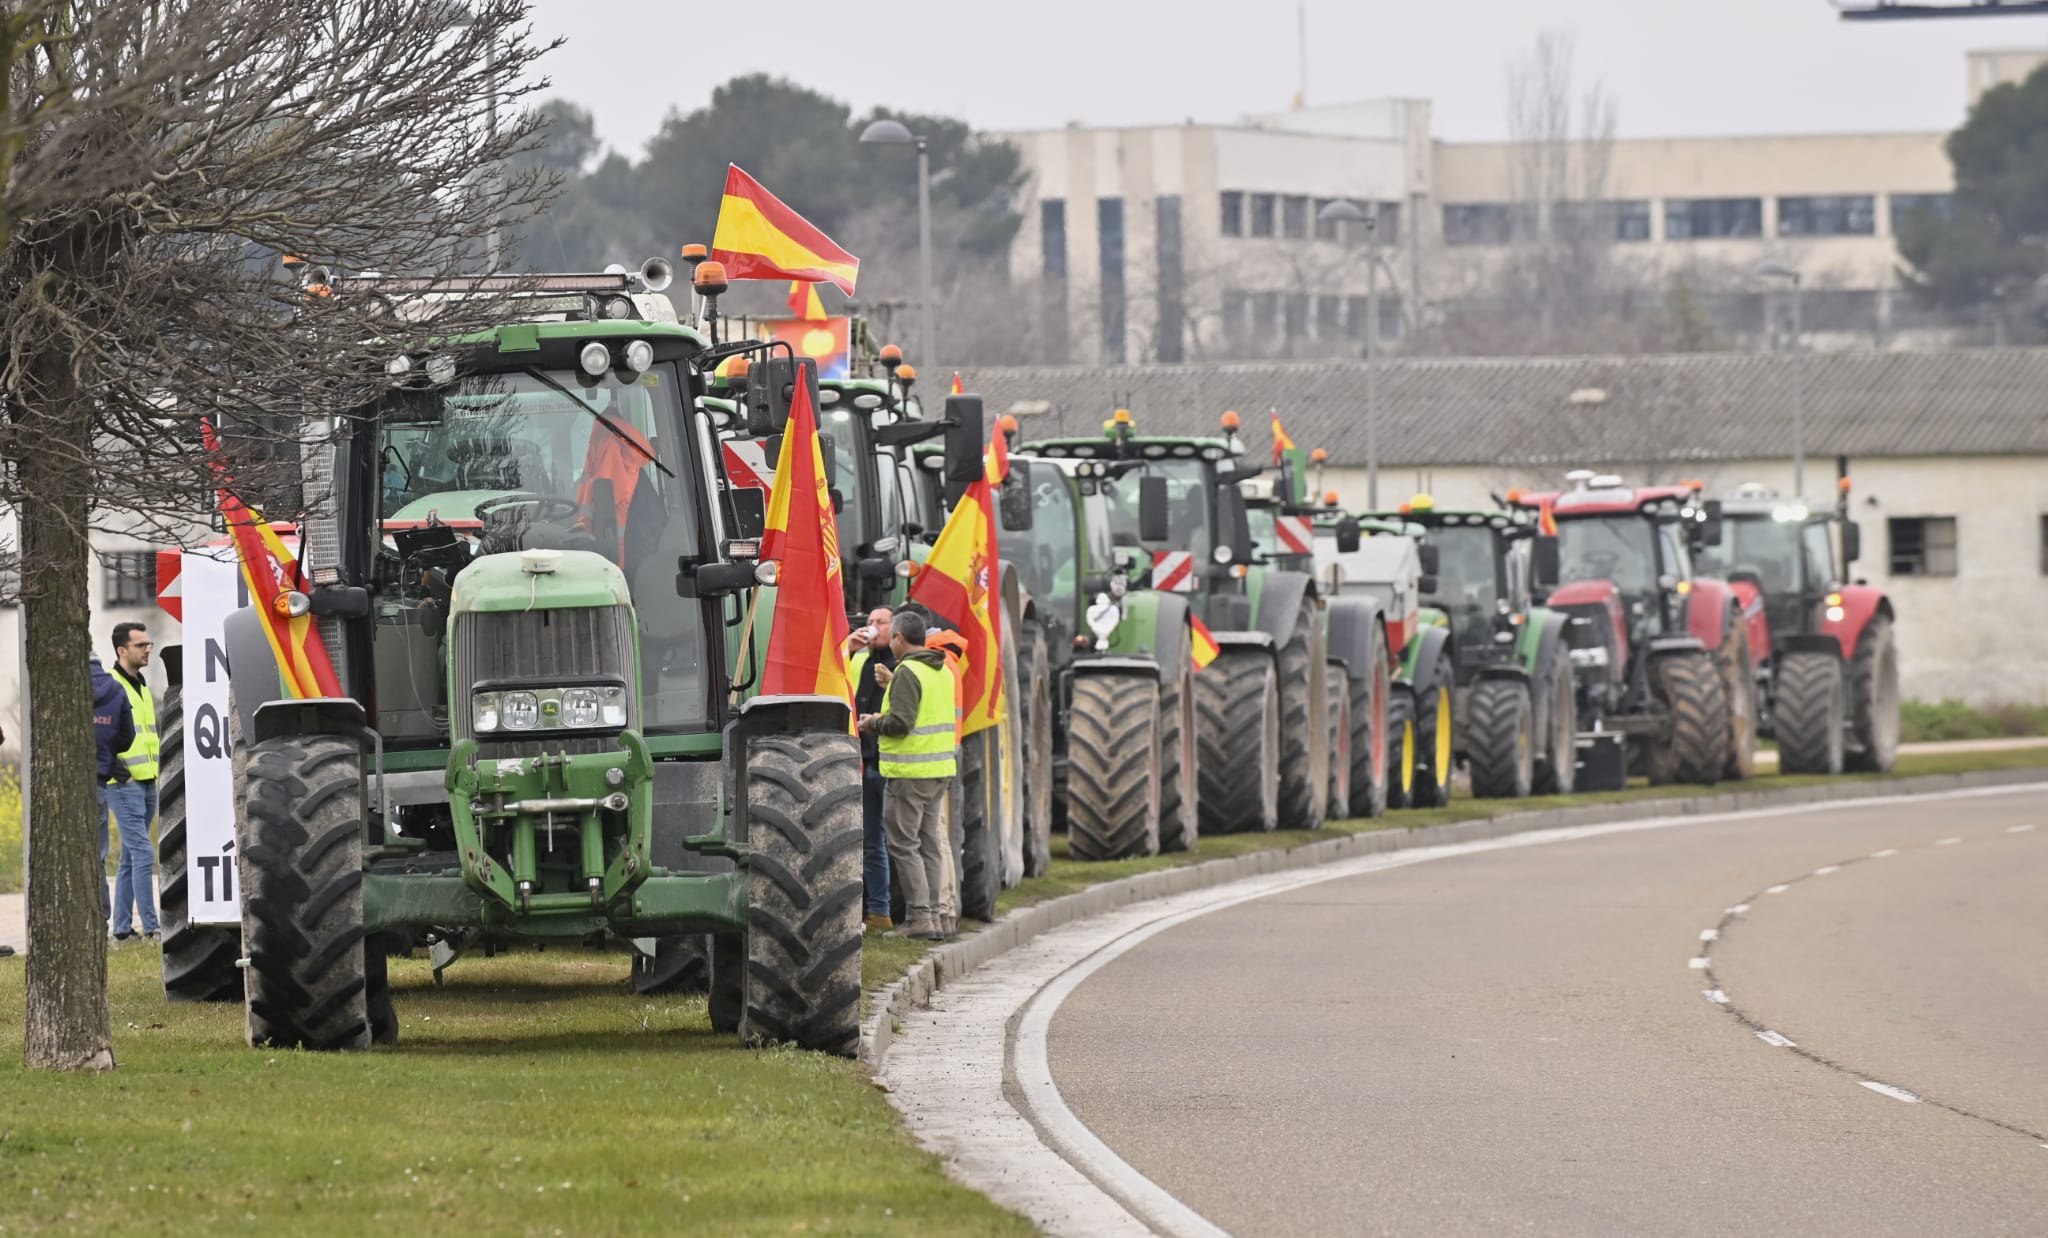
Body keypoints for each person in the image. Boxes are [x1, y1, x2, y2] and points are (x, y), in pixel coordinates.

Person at [857, 610, 956, 942]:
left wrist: (872, 723)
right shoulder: (939, 670)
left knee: (903, 844)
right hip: (939, 770)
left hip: (910, 773)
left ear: (899, 638)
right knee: (928, 844)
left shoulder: (908, 672)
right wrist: (892, 684)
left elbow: (901, 723)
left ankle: (918, 918)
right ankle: (937, 917)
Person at [106, 623, 161, 942]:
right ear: (121, 650)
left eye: (148, 643)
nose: (147, 649)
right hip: (124, 782)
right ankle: (153, 928)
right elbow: (99, 731)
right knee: (142, 853)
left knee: (129, 857)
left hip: (148, 780)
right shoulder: (112, 686)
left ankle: (123, 931)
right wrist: (116, 767)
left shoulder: (140, 684)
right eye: (140, 645)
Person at [845, 606, 895, 933]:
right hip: (864, 759)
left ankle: (900, 908)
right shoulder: (860, 659)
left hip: (891, 763)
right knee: (870, 841)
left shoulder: (904, 663)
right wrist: (849, 648)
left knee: (899, 841)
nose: (872, 627)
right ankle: (877, 912)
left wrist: (892, 682)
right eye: (869, 622)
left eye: (880, 622)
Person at [89, 651, 136, 936]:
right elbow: (126, 737)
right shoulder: (116, 688)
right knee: (97, 856)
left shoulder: (64, 686)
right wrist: (106, 755)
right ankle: (99, 924)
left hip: (61, 785)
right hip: (97, 782)